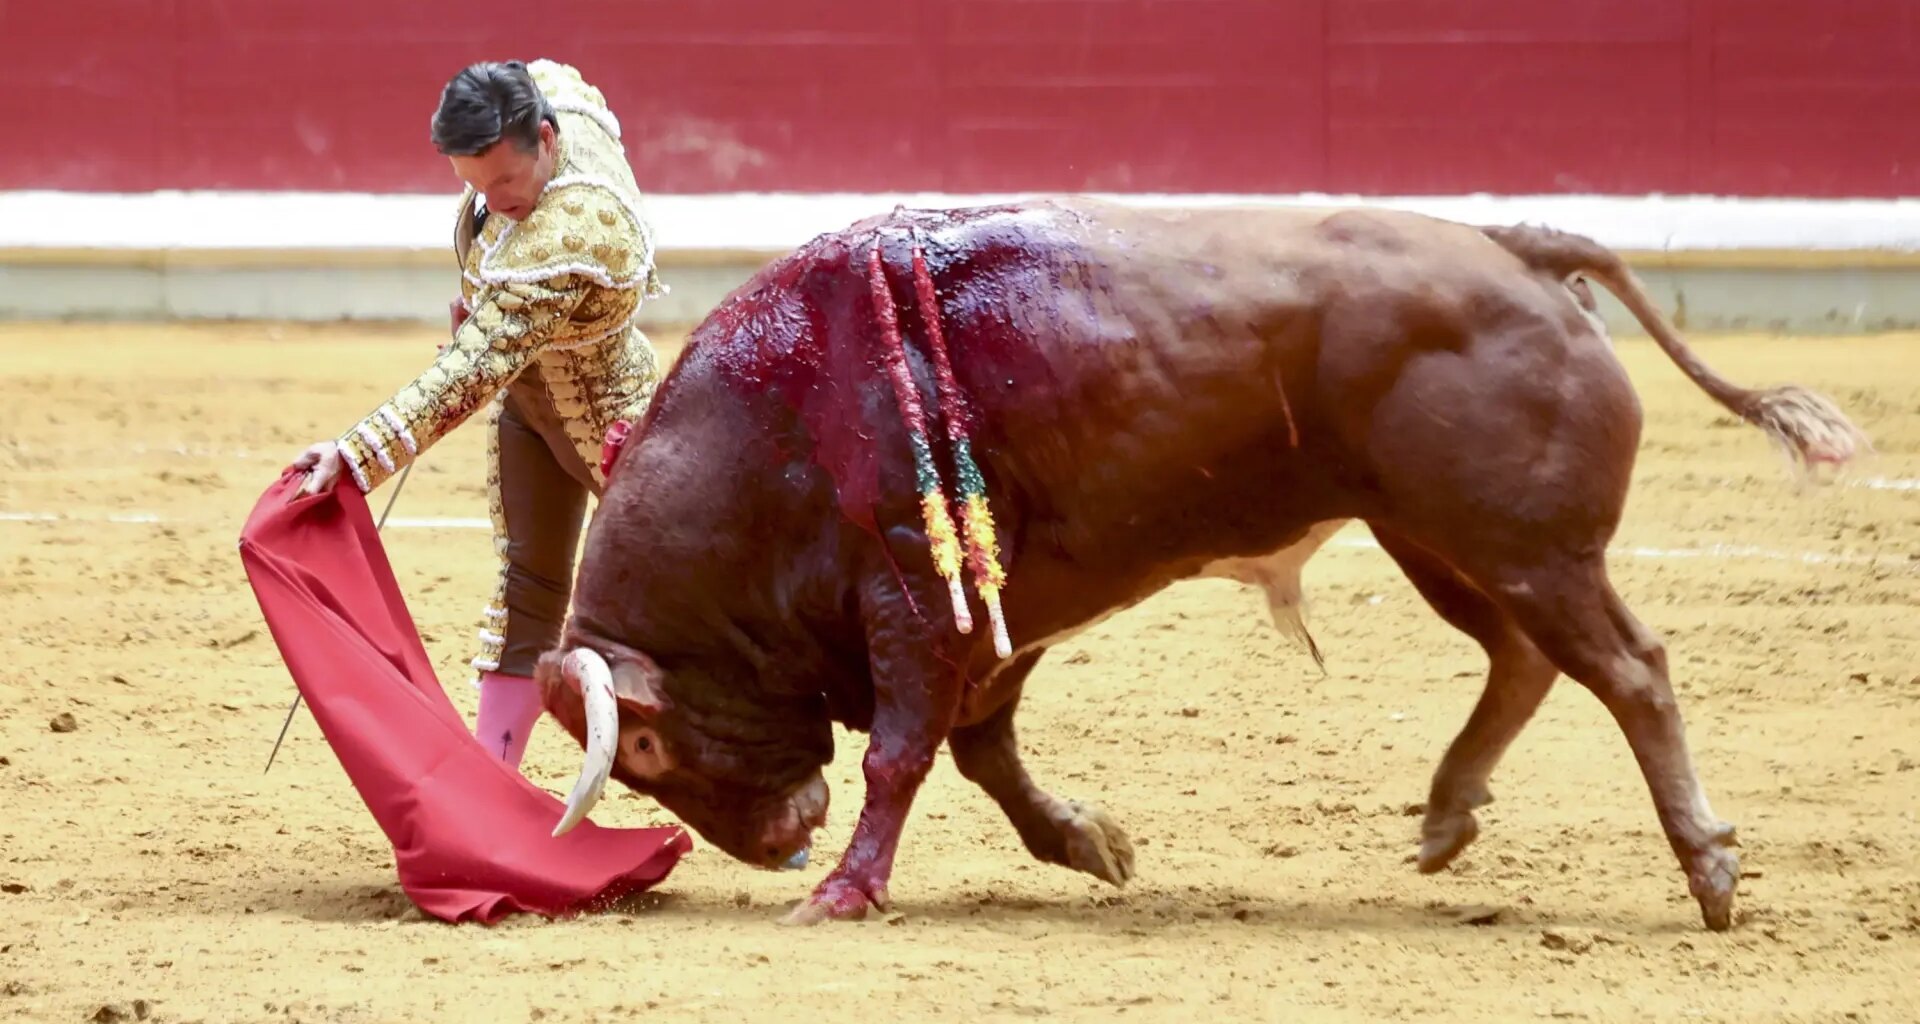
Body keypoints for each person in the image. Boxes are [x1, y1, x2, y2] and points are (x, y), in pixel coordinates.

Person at [292, 58, 668, 771]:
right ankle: (491, 782)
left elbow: (476, 366)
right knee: (528, 587)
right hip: (533, 409)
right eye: (474, 186)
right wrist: (487, 293)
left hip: (612, 425)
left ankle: (765, 791)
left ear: (548, 141)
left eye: (504, 181)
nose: (494, 201)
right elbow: (550, 72)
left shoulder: (574, 231)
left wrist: (359, 451)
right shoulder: (545, 116)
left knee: (678, 599)